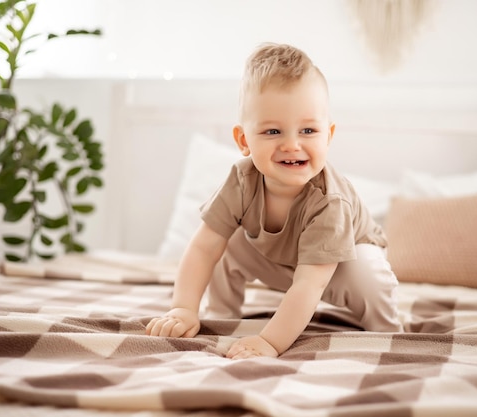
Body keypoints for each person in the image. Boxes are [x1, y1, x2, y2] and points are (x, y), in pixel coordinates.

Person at [146, 43, 402, 359]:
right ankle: (223, 315)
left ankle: (385, 328)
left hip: (339, 268)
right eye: (272, 131)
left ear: (328, 136)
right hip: (284, 263)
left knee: (368, 272)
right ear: (243, 141)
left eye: (308, 130)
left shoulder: (329, 202)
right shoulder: (241, 181)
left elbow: (309, 285)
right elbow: (203, 247)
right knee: (224, 240)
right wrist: (183, 308)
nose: (292, 144)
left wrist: (270, 342)